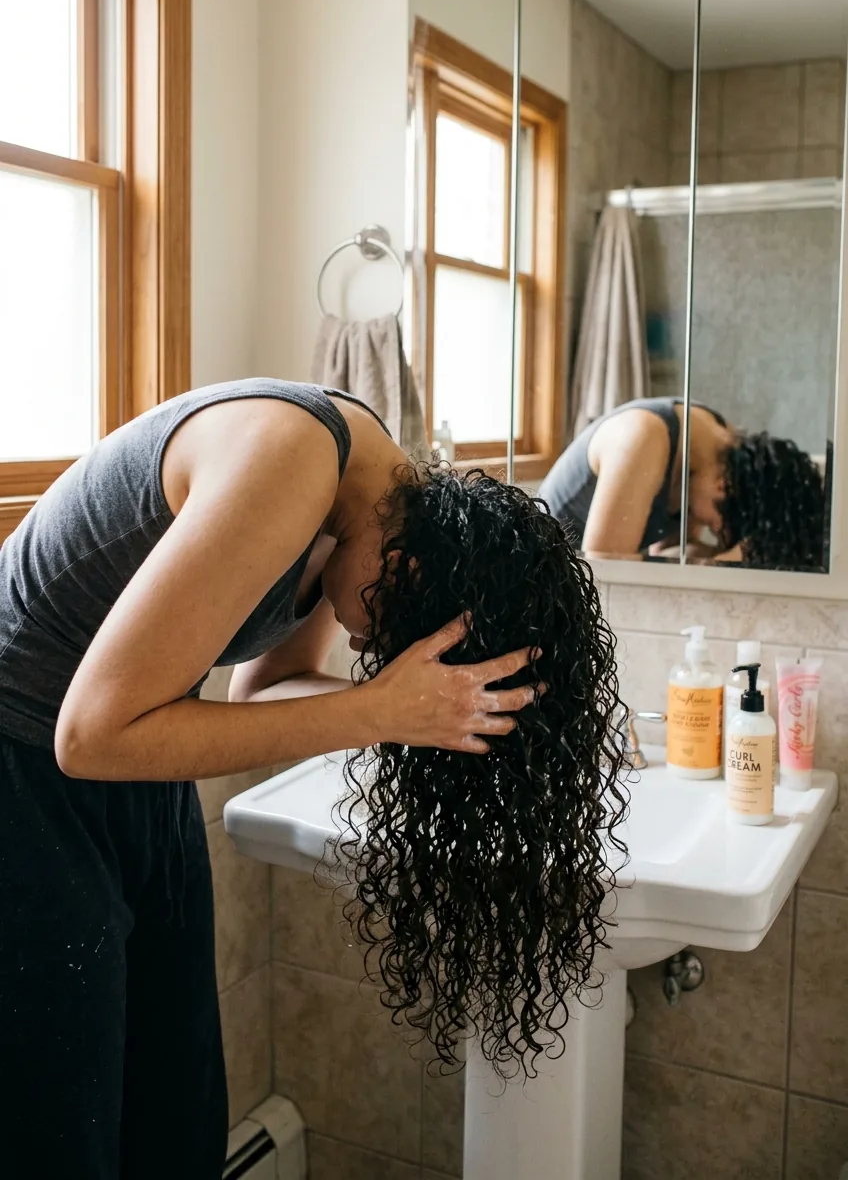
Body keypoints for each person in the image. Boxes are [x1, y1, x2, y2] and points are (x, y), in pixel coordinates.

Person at [0, 379, 626, 1177]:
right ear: (404, 569)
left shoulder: (371, 506)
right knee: (61, 1132)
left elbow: (261, 689)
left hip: (139, 766)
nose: (371, 651)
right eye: (391, 639)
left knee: (176, 1114)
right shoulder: (291, 460)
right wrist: (376, 712)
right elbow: (87, 737)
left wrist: (422, 711)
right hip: (23, 767)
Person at [538, 395, 826, 570]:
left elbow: (667, 552)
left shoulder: (711, 451)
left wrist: (724, 557)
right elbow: (608, 572)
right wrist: (725, 560)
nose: (715, 529)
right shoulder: (642, 439)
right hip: (541, 574)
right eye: (722, 527)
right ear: (723, 486)